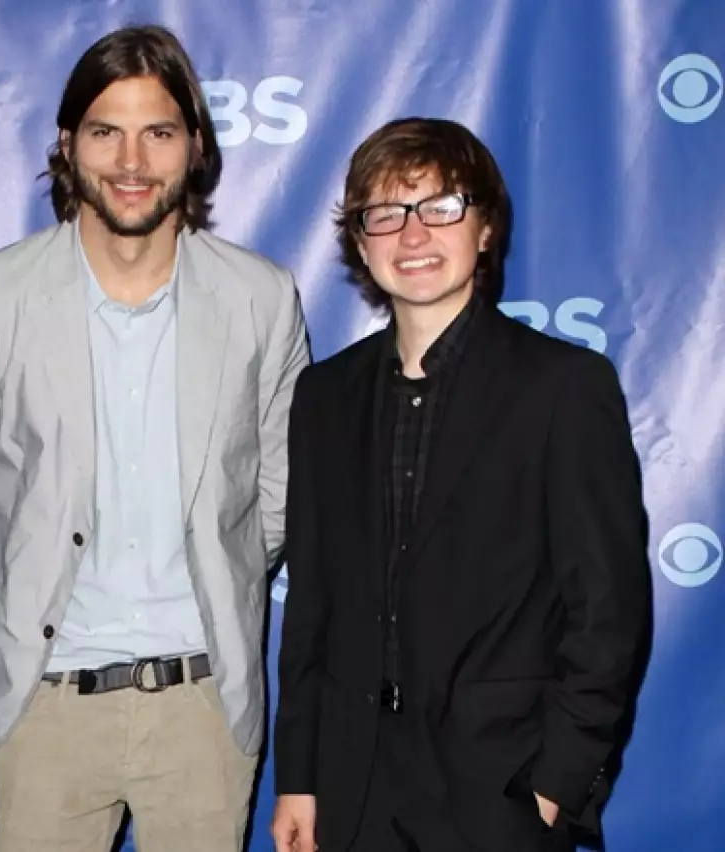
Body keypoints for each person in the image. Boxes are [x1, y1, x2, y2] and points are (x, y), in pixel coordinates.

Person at [0, 23, 310, 852]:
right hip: (42, 709)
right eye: (106, 131)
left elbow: (278, 496)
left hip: (204, 709)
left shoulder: (262, 299)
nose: (131, 161)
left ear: (194, 148)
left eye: (158, 132)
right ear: (67, 146)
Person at [271, 117, 652, 852]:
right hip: (352, 793)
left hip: (498, 791)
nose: (412, 235)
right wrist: (301, 776)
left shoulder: (563, 388)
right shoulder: (324, 396)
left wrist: (552, 789)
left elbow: (606, 612)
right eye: (385, 213)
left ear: (485, 230)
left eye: (441, 207)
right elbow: (313, 605)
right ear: (359, 242)